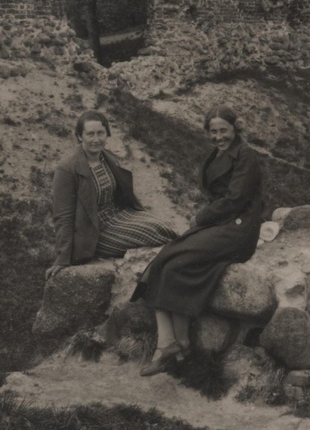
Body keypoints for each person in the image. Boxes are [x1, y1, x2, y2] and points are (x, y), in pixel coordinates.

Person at [132, 106, 263, 376]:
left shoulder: (246, 156)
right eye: (213, 132)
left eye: (223, 131)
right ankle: (171, 344)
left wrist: (201, 217)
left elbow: (235, 200)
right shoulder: (218, 154)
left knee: (176, 262)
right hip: (220, 224)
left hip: (239, 228)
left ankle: (177, 345)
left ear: (234, 128)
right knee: (166, 260)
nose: (218, 137)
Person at [45, 110, 178, 281]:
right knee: (150, 233)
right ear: (79, 136)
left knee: (164, 225)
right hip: (95, 231)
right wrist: (63, 258)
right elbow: (63, 216)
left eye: (100, 133)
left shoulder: (109, 159)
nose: (96, 139)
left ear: (107, 134)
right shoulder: (67, 169)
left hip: (119, 215)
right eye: (90, 134)